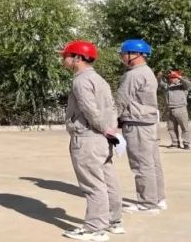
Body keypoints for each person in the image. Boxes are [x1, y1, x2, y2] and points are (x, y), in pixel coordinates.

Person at [59, 41, 124, 241]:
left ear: (78, 58)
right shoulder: (99, 79)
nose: (63, 59)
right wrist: (110, 131)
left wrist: (104, 128)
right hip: (103, 138)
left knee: (93, 185)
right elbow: (112, 108)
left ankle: (95, 229)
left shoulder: (81, 81)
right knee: (108, 180)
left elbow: (90, 110)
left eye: (66, 56)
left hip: (88, 137)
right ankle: (113, 221)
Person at [116, 39, 166, 214]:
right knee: (152, 163)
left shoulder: (133, 75)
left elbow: (121, 100)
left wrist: (109, 121)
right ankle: (158, 198)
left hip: (137, 123)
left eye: (124, 53)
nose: (122, 57)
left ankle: (147, 202)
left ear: (134, 54)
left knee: (141, 164)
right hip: (148, 122)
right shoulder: (148, 72)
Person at [158, 70, 191, 150]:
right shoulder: (167, 86)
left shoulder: (182, 86)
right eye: (170, 78)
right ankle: (175, 143)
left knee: (184, 128)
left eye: (173, 77)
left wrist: (178, 76)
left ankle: (186, 144)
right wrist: (159, 76)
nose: (171, 79)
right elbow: (160, 83)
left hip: (181, 108)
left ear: (177, 78)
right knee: (171, 128)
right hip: (169, 109)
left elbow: (188, 84)